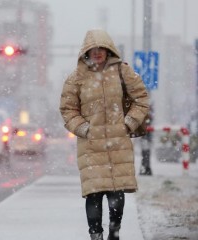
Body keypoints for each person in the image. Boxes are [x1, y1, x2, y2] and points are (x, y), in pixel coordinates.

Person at [59, 29, 149, 240]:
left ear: (109, 50)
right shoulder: (76, 79)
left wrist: (128, 123)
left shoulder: (122, 71)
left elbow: (141, 99)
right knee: (94, 193)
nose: (97, 52)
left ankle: (114, 234)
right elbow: (68, 109)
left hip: (118, 142)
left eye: (102, 48)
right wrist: (84, 128)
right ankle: (96, 235)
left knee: (116, 192)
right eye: (93, 49)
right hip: (91, 145)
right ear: (86, 52)